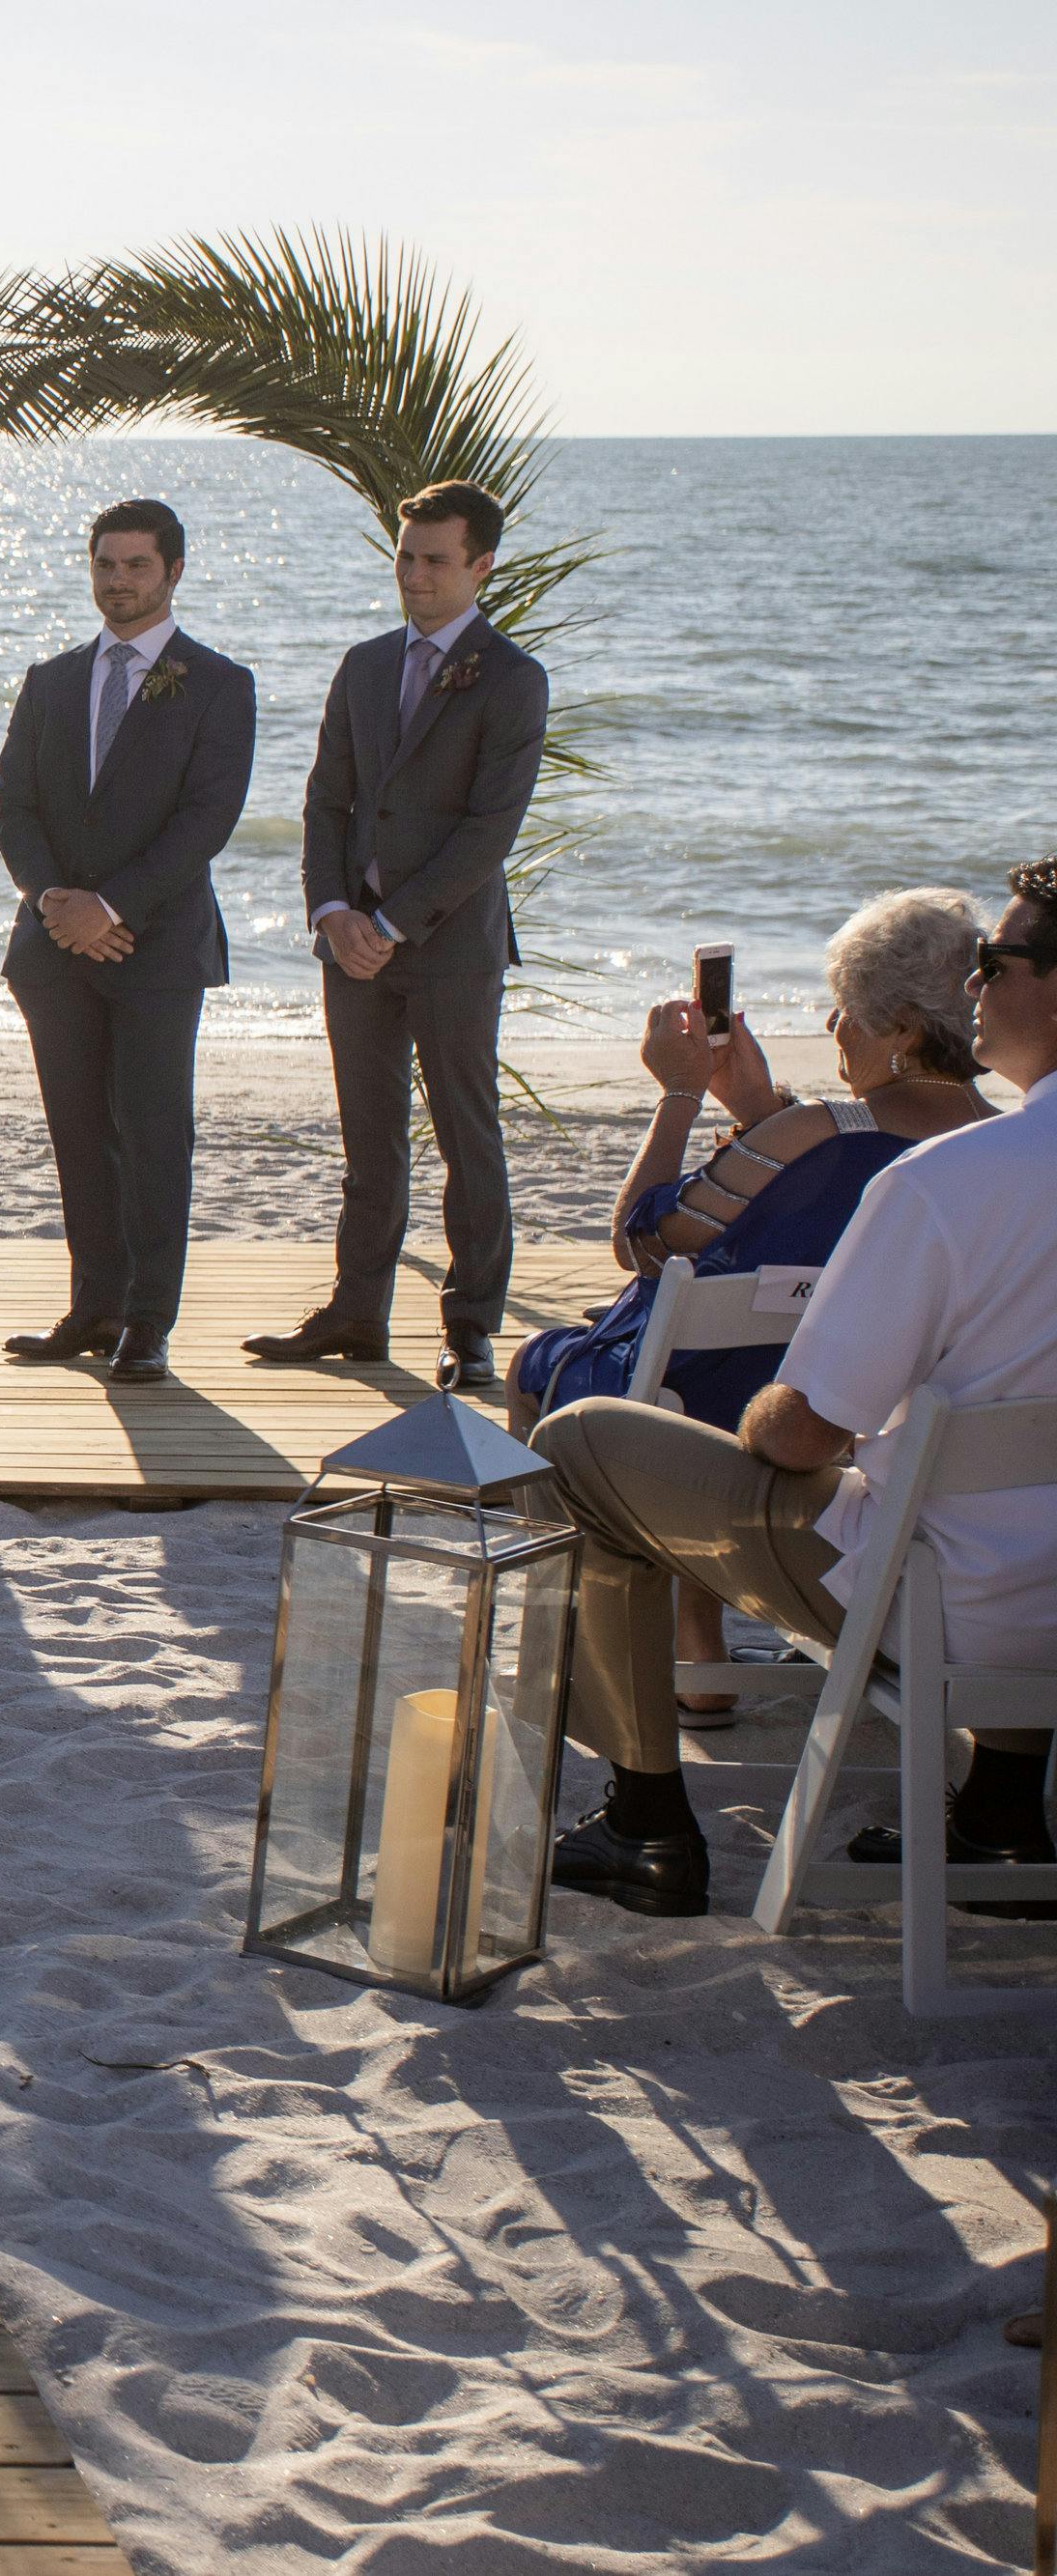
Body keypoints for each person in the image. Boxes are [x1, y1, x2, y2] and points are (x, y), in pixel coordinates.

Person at [526, 856, 1057, 1921]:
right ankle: (997, 1817)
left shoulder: (947, 1187)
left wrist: (793, 1408)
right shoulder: (962, 1157)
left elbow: (805, 1433)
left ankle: (644, 1823)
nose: (977, 986)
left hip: (956, 1611)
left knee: (582, 1438)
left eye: (998, 962)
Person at [512, 891, 997, 1719]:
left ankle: (649, 1644)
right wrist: (758, 1108)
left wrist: (681, 1093)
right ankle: (697, 1634)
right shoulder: (992, 1146)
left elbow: (644, 1241)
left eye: (847, 1012)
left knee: (543, 1368)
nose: (835, 1030)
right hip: (872, 1428)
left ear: (905, 1029)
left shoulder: (814, 1130)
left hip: (749, 1409)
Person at [254, 479, 550, 1391]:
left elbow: (487, 832)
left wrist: (389, 920)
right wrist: (332, 913)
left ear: (481, 566)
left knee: (468, 1135)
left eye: (435, 560)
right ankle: (357, 1312)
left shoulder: (512, 677)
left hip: (450, 946)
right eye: (406, 557)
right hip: (352, 946)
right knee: (367, 1138)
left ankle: (470, 1327)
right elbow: (325, 802)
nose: (415, 577)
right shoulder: (365, 664)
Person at [0, 499, 258, 1385]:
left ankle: (149, 1319)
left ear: (172, 572)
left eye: (137, 565)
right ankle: (93, 1304)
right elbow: (12, 805)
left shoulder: (219, 684)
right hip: (55, 949)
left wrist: (111, 906)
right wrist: (54, 899)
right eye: (105, 564)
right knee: (76, 1130)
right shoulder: (52, 679)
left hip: (158, 946)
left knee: (152, 1131)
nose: (118, 581)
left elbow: (206, 820)